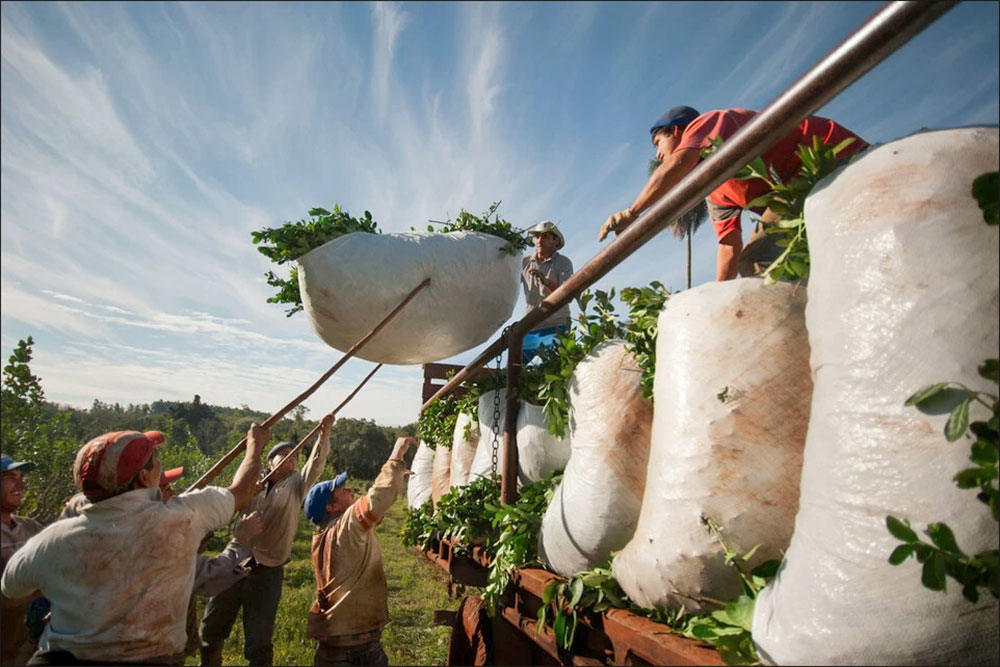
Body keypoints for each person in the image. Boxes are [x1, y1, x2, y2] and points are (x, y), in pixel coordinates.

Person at [0, 423, 268, 666]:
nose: (161, 468)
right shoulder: (178, 519)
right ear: (143, 477)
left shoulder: (54, 539)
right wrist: (255, 446)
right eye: (157, 462)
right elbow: (241, 492)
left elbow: (11, 588)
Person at [598, 106, 869, 281]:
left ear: (677, 130)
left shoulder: (709, 123)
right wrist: (718, 298)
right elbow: (728, 248)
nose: (657, 153)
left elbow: (677, 164)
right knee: (752, 261)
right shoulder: (716, 191)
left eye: (659, 142)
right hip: (796, 191)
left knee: (759, 259)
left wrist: (632, 213)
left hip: (828, 156)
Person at [200, 413, 334, 667]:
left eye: (294, 455)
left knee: (259, 640)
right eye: (284, 454)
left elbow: (315, 463)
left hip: (268, 570)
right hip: (235, 563)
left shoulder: (296, 485)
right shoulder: (251, 482)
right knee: (212, 628)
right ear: (270, 461)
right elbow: (229, 502)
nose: (292, 457)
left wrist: (323, 434)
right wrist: (249, 488)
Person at [303, 436, 416, 667]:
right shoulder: (345, 527)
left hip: (332, 645)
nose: (351, 490)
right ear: (331, 507)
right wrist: (397, 454)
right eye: (343, 490)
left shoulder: (324, 533)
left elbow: (372, 514)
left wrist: (395, 480)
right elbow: (378, 498)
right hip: (357, 649)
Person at [1, 455, 43, 667]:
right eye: (10, 477)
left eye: (21, 477)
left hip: (20, 649)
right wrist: (41, 589)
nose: (20, 484)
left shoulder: (29, 528)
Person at [521, 220, 574, 363]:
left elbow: (567, 294)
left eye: (544, 236)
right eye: (537, 237)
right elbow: (507, 281)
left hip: (556, 325)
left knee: (555, 367)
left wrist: (546, 282)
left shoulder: (563, 263)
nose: (539, 240)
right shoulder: (524, 263)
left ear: (555, 241)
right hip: (531, 327)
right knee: (515, 368)